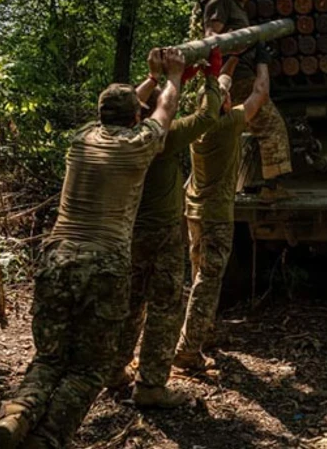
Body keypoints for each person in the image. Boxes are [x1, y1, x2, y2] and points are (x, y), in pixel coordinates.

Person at [0, 48, 186, 449]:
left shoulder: (81, 139)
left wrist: (150, 76)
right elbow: (165, 109)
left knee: (49, 359)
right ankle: (49, 439)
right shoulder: (140, 143)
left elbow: (126, 106)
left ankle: (16, 417)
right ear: (135, 118)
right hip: (104, 263)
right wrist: (174, 77)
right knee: (90, 370)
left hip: (56, 257)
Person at [106, 46, 227, 408]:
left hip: (128, 231)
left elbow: (131, 105)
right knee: (165, 306)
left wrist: (158, 78)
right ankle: (151, 385)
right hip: (161, 233)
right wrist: (210, 75)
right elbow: (208, 115)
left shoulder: (113, 136)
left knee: (130, 302)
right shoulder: (163, 138)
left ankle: (114, 369)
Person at [202, 0, 327, 198]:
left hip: (238, 76)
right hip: (235, 78)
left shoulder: (238, 9)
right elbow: (211, 40)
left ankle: (219, 185)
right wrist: (240, 47)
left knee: (232, 132)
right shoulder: (221, 1)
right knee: (272, 126)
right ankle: (271, 189)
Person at [173, 46, 272, 371]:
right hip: (215, 215)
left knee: (198, 272)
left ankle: (206, 331)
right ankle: (188, 349)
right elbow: (260, 92)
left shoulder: (196, 125)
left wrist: (227, 60)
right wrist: (261, 60)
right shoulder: (229, 126)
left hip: (194, 213)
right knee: (209, 279)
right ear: (225, 104)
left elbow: (218, 89)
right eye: (227, 95)